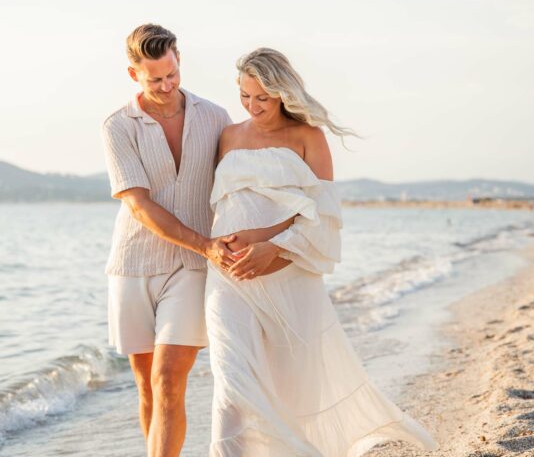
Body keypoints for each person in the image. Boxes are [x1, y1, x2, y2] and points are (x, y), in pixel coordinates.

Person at [205, 47, 438, 456]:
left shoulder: (308, 137)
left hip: (288, 274)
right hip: (228, 278)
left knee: (294, 388)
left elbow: (324, 215)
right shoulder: (228, 136)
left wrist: (270, 246)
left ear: (283, 92)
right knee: (231, 380)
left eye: (263, 97)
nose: (253, 106)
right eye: (245, 95)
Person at [101, 23, 235, 457]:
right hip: (134, 263)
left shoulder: (215, 117)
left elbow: (239, 183)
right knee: (146, 387)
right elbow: (138, 205)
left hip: (193, 267)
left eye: (172, 74)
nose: (166, 85)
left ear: (179, 60)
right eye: (154, 78)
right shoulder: (118, 126)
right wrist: (207, 244)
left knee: (168, 380)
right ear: (132, 74)